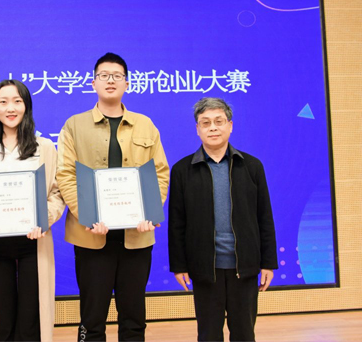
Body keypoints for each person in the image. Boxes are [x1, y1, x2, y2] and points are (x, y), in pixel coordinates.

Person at [57, 52, 170, 341]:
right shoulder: (74, 125)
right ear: (93, 83)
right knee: (92, 319)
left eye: (117, 76)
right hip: (91, 236)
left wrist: (150, 212)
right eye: (104, 75)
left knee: (133, 318)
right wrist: (88, 216)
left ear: (127, 83)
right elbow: (65, 175)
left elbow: (160, 173)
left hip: (137, 236)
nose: (110, 81)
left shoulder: (145, 125)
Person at [168, 97, 278, 342]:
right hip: (205, 267)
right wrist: (179, 266)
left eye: (219, 121)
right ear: (197, 129)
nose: (213, 128)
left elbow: (264, 217)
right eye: (205, 123)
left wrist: (268, 263)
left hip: (245, 266)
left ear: (230, 125)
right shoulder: (182, 170)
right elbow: (177, 224)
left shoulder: (252, 166)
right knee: (208, 334)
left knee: (244, 333)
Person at [0, 79, 66, 342]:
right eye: (3, 102)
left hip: (33, 242)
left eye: (17, 101)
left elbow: (57, 193)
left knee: (30, 323)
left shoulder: (44, 148)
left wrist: (44, 219)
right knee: (4, 322)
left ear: (26, 106)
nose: (10, 108)